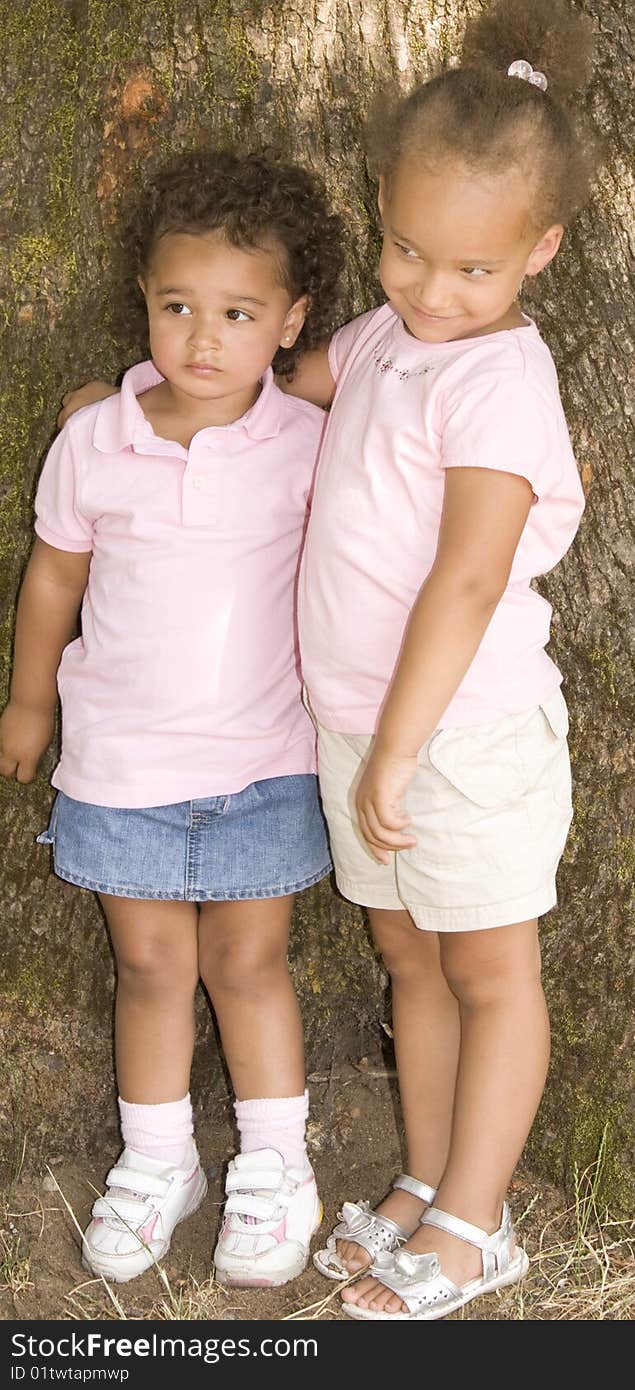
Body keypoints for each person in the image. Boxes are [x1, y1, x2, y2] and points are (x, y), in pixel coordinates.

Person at [294, 0, 598, 1320]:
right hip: (365, 728)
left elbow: (470, 574)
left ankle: (479, 1219)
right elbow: (291, 378)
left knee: (487, 969)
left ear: (541, 251)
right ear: (381, 208)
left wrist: (406, 748)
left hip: (457, 737)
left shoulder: (500, 380)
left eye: (472, 269)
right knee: (408, 963)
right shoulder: (389, 336)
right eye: (409, 250)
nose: (432, 288)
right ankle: (426, 1177)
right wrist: (150, 395)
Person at [0, 150, 342, 1287]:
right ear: (143, 300)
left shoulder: (306, 442)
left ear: (290, 321)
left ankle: (274, 1164)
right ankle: (157, 1164)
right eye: (177, 306)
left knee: (251, 962)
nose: (202, 337)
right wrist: (28, 700)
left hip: (265, 757)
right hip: (120, 759)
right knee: (148, 965)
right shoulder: (98, 437)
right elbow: (54, 575)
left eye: (240, 313)